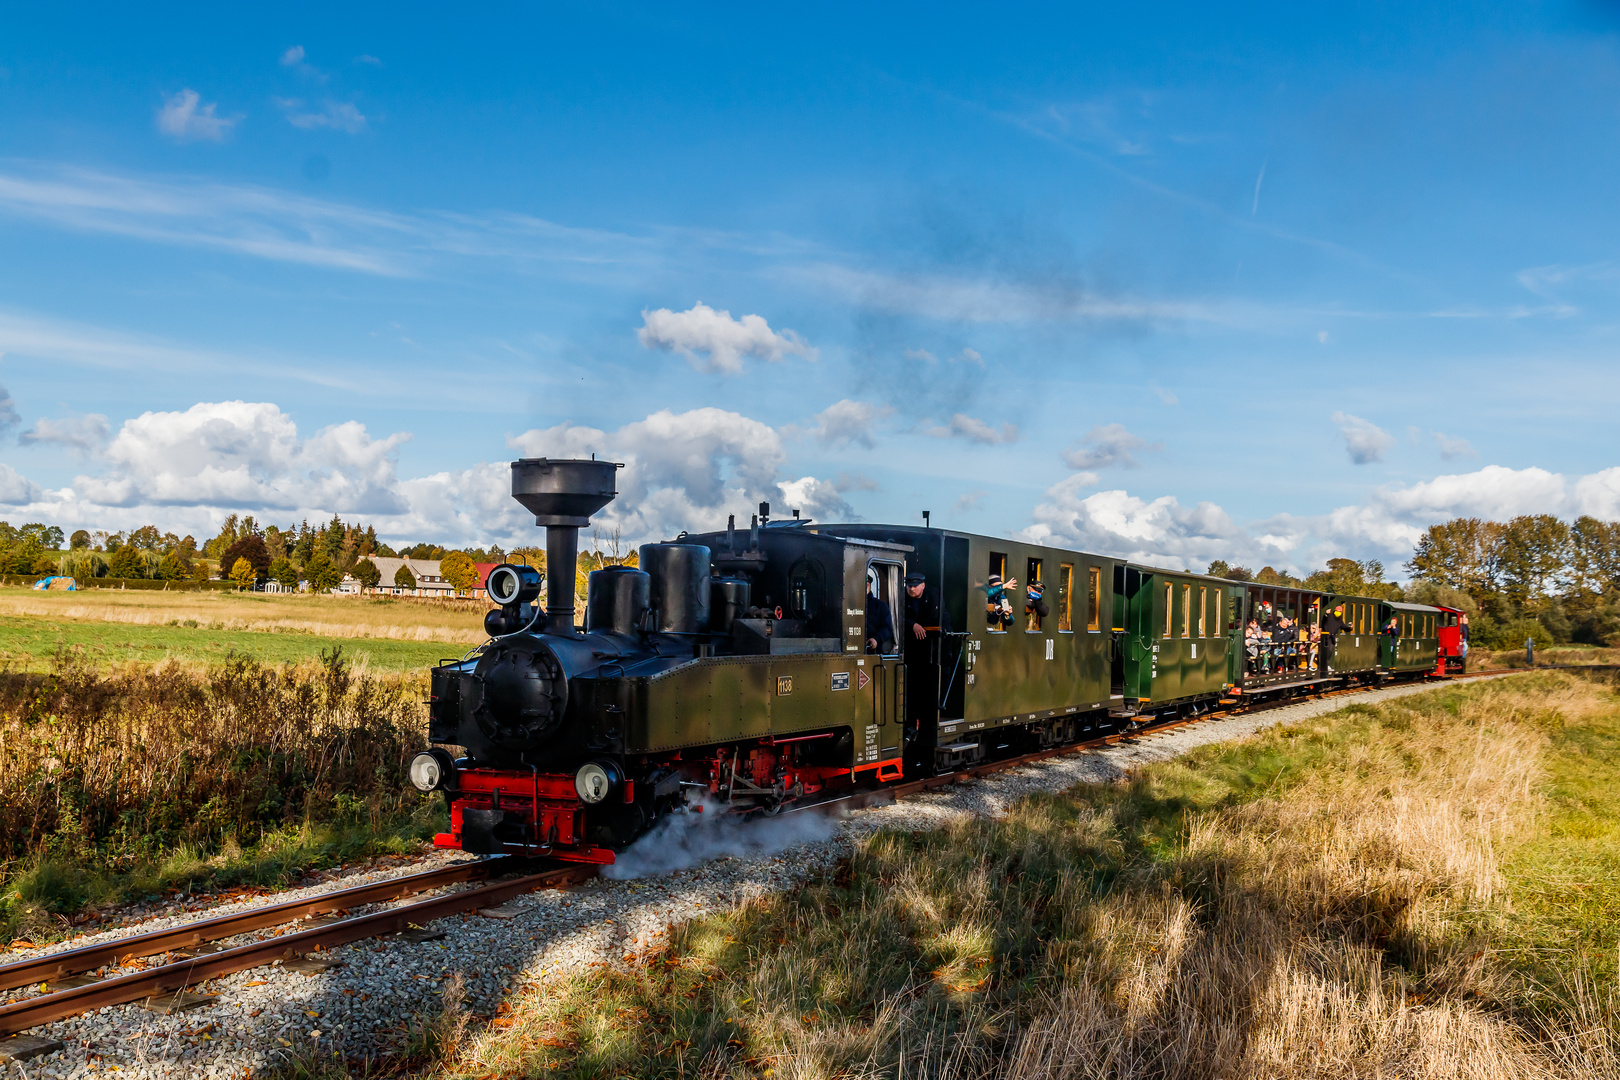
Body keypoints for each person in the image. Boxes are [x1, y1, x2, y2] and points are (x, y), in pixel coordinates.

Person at [865, 565, 895, 655]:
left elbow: (887, 629)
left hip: (874, 652)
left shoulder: (881, 606)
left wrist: (876, 639)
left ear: (868, 585)